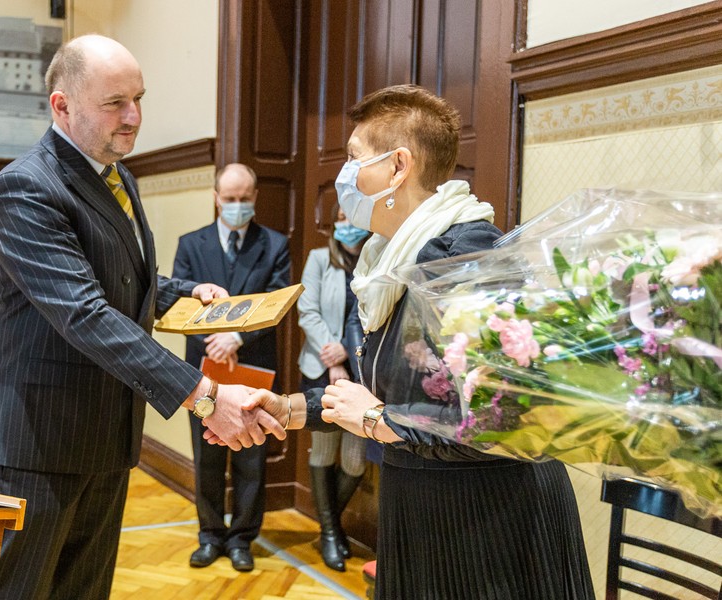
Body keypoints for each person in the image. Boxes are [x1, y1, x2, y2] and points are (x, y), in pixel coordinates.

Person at [236, 85, 596, 599]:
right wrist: (288, 408)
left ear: (397, 166)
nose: (345, 175)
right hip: (426, 505)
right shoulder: (390, 263)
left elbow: (505, 421)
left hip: (487, 524)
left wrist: (375, 421)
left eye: (355, 157)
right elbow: (391, 395)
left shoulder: (464, 259)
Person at [0, 35, 283, 600]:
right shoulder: (26, 187)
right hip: (39, 437)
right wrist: (204, 395)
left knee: (84, 589)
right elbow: (85, 312)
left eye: (139, 98)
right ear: (61, 105)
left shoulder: (118, 175)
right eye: (115, 102)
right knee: (21, 589)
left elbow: (120, 277)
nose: (134, 116)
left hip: (107, 431)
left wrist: (186, 293)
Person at [172, 163, 291, 572]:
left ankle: (242, 538)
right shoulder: (191, 244)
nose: (237, 205)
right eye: (230, 198)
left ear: (255, 197)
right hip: (203, 369)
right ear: (216, 196)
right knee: (206, 455)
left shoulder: (275, 244)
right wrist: (217, 342)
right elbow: (182, 304)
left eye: (245, 199)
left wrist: (237, 339)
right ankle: (209, 535)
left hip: (253, 367)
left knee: (250, 456)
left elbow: (274, 305)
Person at [296, 205, 369, 572]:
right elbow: (306, 311)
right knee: (323, 451)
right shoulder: (320, 259)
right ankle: (329, 534)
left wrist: (348, 348)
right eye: (338, 217)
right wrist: (334, 356)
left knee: (356, 461)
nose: (344, 223)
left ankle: (330, 524)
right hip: (321, 370)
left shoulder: (379, 258)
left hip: (363, 374)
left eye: (350, 216)